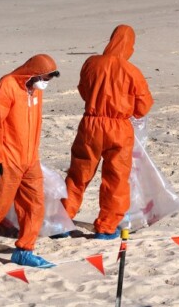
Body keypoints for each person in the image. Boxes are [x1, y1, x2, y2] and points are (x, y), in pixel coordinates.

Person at [0, 54, 59, 268]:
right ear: (33, 73)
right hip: (7, 159)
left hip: (30, 159)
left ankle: (25, 250)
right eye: (43, 77)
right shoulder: (7, 85)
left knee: (35, 205)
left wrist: (34, 155)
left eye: (48, 78)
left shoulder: (34, 90)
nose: (45, 82)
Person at [61, 25, 153, 239]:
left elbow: (83, 90)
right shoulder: (131, 71)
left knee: (78, 174)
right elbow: (143, 106)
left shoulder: (91, 63)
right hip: (118, 128)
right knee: (117, 178)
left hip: (91, 124)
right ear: (129, 45)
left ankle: (62, 220)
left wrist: (97, 104)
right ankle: (106, 226)